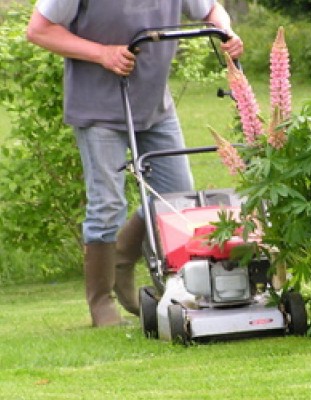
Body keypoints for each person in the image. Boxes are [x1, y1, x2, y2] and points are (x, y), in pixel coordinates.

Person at [26, 0, 244, 327]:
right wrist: (102, 53)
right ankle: (101, 304)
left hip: (154, 106)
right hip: (97, 108)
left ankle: (122, 259)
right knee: (107, 204)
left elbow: (211, 9)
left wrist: (225, 30)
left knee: (173, 198)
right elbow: (38, 30)